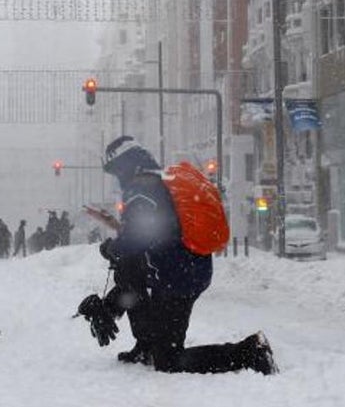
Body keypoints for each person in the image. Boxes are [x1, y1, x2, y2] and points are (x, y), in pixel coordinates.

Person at [78, 136, 276, 375]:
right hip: (185, 269)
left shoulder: (141, 190)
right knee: (132, 271)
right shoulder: (159, 181)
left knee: (169, 359)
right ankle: (147, 345)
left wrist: (109, 249)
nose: (118, 179)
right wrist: (110, 305)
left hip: (178, 278)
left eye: (117, 171)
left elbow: (133, 243)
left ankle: (250, 352)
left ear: (126, 166)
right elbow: (145, 244)